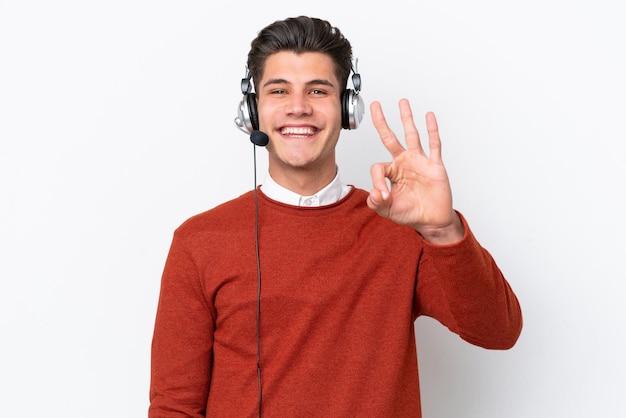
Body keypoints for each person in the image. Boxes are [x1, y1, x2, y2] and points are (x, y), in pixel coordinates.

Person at [149, 15, 522, 417]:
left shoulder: (399, 229)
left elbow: (498, 331)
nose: (298, 107)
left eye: (318, 90)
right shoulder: (199, 240)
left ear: (347, 107)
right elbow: (175, 406)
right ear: (253, 110)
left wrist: (442, 230)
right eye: (279, 90)